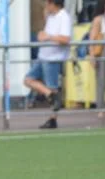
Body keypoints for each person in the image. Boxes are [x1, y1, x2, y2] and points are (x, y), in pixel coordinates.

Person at [24, 0, 73, 129]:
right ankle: (49, 95)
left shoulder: (64, 17)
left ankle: (53, 118)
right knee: (28, 80)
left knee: (52, 86)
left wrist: (48, 37)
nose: (46, 6)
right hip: (43, 56)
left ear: (53, 4)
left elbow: (65, 38)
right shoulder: (51, 16)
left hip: (53, 57)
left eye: (48, 4)